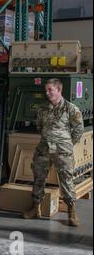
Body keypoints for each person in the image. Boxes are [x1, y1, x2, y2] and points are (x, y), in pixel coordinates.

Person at [22, 78, 84, 226]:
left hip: (62, 152)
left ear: (59, 89)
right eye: (46, 90)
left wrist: (66, 144)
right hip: (44, 150)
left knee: (66, 180)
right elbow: (39, 126)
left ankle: (72, 211)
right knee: (38, 178)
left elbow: (78, 130)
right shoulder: (42, 109)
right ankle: (35, 208)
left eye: (50, 90)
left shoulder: (71, 109)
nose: (47, 93)